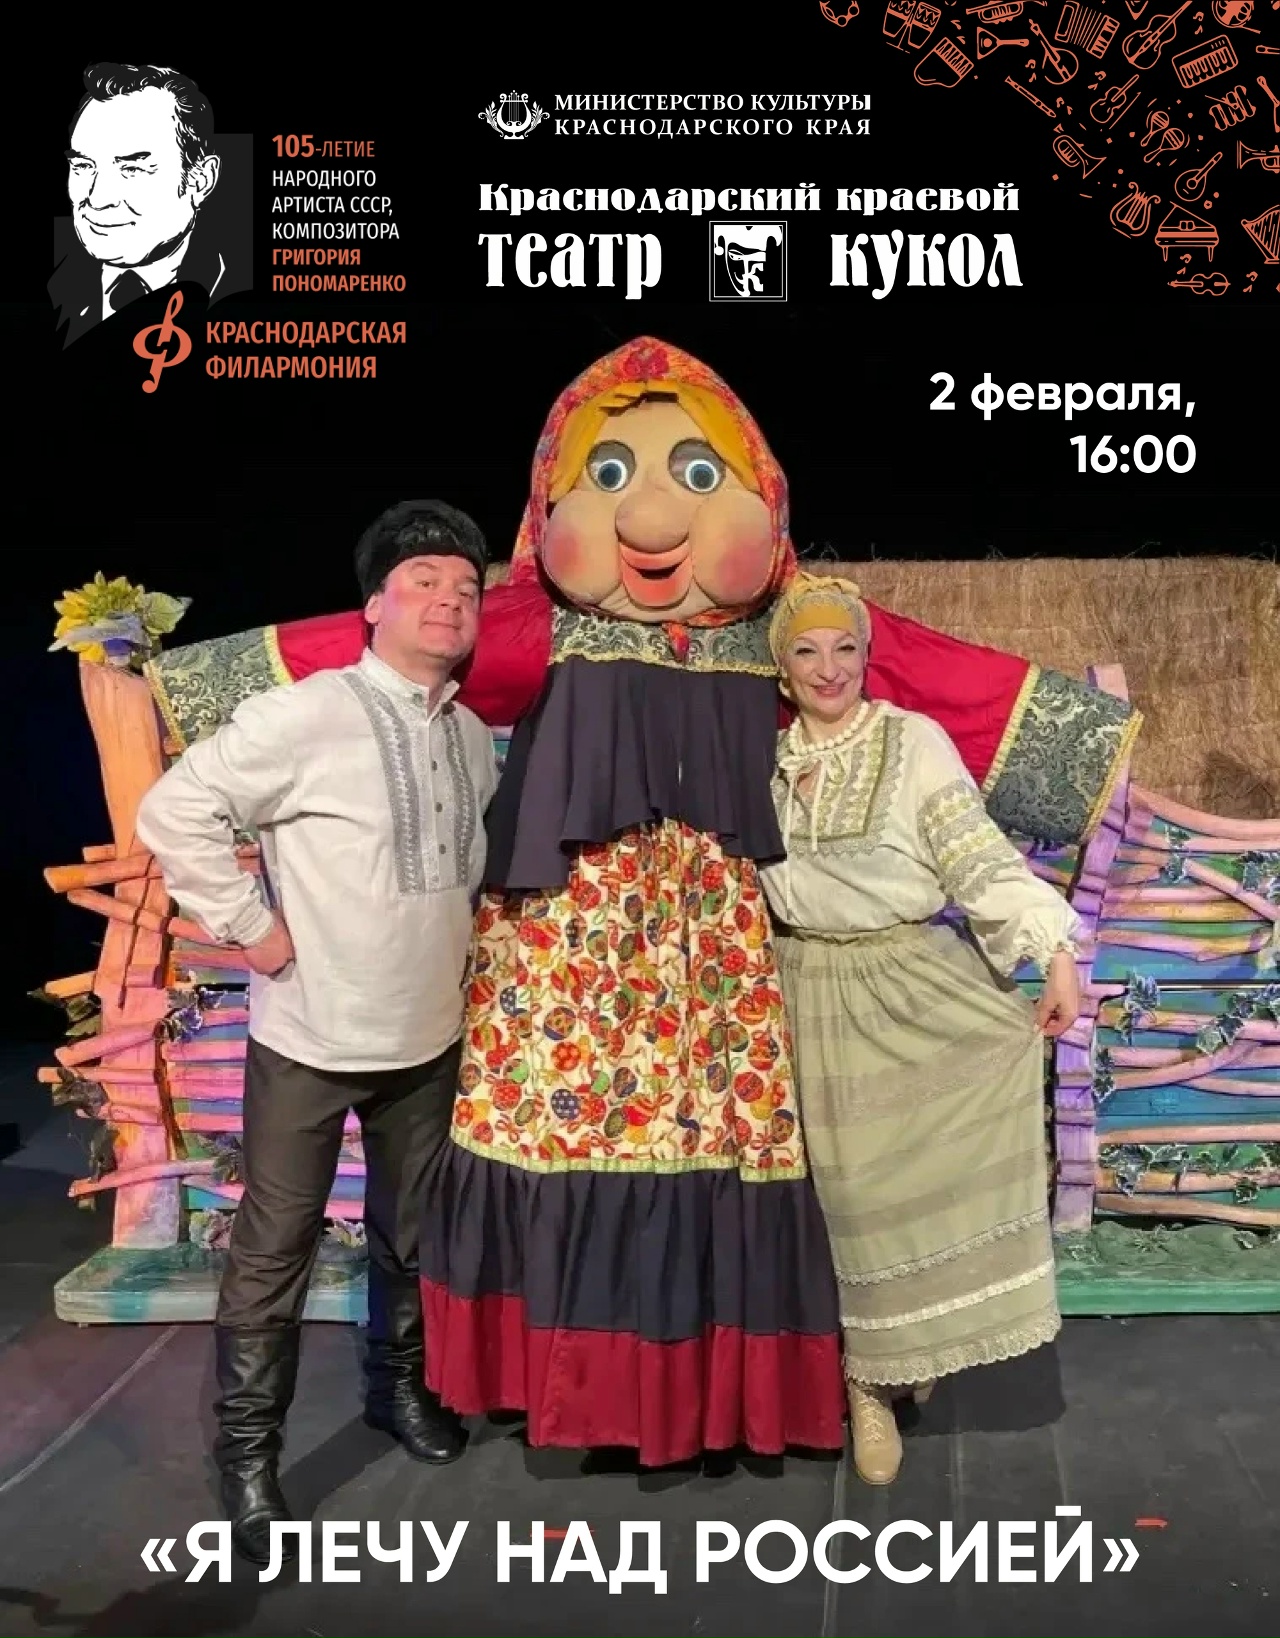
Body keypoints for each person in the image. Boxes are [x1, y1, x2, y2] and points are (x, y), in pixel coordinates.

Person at [135, 500, 499, 1564]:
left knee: (411, 1231)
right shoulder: (309, 714)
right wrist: (250, 927)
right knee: (274, 1248)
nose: (449, 601)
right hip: (311, 1037)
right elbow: (174, 810)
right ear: (375, 603)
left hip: (428, 1035)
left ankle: (398, 1391)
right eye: (425, 582)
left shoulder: (470, 738)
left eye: (466, 589)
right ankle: (249, 1458)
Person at [759, 571, 1083, 1487]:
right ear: (783, 669)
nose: (829, 668)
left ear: (867, 656)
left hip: (908, 980)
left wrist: (1055, 953)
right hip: (805, 988)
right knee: (849, 1203)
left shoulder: (911, 743)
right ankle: (870, 1380)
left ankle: (904, 1353)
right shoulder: (763, 760)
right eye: (807, 652)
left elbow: (974, 854)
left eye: (845, 648)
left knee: (912, 1182)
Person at [50, 63, 232, 347]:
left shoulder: (236, 295)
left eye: (132, 169)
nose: (98, 199)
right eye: (83, 166)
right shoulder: (52, 290)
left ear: (200, 180)